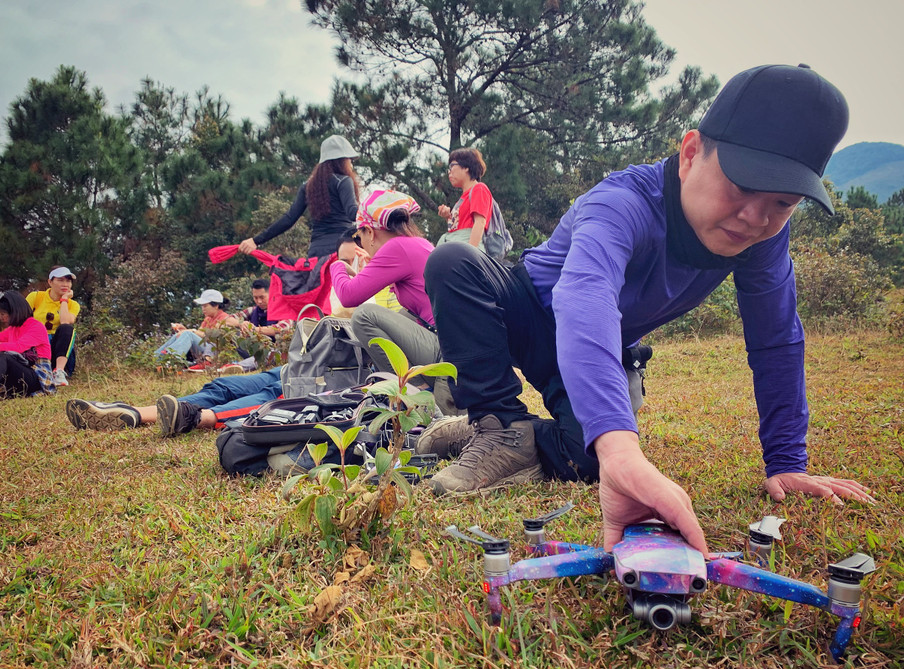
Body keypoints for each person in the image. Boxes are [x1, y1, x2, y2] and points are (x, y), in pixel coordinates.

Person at [420, 64, 873, 555]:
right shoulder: (623, 202)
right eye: (742, 186)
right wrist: (620, 444)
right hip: (527, 307)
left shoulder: (763, 238)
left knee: (593, 459)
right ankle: (496, 424)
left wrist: (786, 459)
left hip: (598, 345)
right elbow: (584, 295)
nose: (755, 218)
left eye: (782, 203)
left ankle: (513, 437)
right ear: (691, 152)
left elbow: (776, 337)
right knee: (452, 261)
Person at [329, 190, 440, 374]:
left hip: (443, 349)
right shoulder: (417, 243)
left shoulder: (396, 247)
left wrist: (337, 265)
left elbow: (348, 296)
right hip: (449, 344)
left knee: (363, 316)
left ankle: (405, 386)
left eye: (358, 238)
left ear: (370, 232)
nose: (360, 244)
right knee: (404, 314)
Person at [66, 366, 283, 436]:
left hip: (312, 380)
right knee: (224, 386)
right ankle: (134, 412)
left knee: (275, 394)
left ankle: (194, 418)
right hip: (288, 367)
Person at [238, 135, 360, 258]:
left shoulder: (308, 186)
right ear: (341, 161)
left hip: (316, 253)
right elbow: (353, 213)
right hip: (342, 251)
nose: (351, 164)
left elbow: (288, 219)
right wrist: (375, 213)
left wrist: (255, 241)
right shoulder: (343, 181)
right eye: (349, 159)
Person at [437, 147, 511, 261]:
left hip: (467, 252)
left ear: (466, 167)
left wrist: (469, 257)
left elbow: (480, 223)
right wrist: (447, 217)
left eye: (452, 166)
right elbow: (459, 227)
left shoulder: (479, 189)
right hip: (458, 249)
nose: (449, 171)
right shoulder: (462, 199)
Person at [154, 289, 241, 367]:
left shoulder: (225, 318)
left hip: (212, 353)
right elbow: (199, 335)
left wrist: (190, 331)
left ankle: (170, 360)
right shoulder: (208, 318)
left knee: (188, 334)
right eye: (202, 306)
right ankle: (157, 357)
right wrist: (184, 330)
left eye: (205, 306)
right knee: (181, 334)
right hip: (204, 349)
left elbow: (208, 337)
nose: (203, 309)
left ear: (216, 306)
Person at [26, 266, 80, 387]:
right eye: (60, 280)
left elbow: (66, 321)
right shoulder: (35, 297)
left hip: (57, 350)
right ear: (50, 282)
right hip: (35, 345)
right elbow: (21, 320)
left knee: (66, 329)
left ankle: (59, 372)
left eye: (68, 281)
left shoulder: (73, 305)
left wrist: (64, 300)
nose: (65, 284)